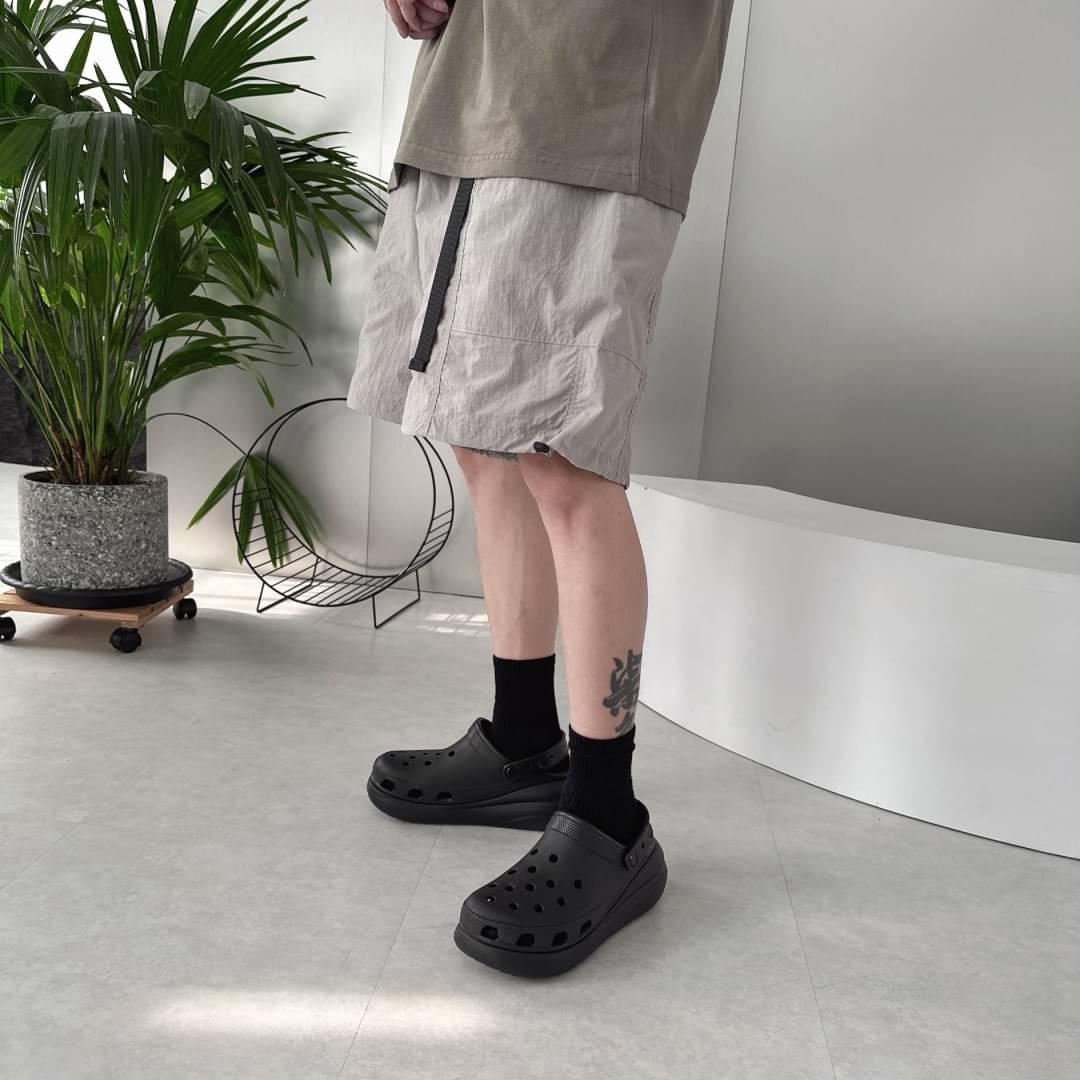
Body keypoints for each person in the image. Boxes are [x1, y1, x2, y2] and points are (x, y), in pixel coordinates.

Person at [347, 0, 736, 977]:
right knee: (483, 436)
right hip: (466, 95)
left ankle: (607, 812)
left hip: (589, 95)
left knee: (565, 456)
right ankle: (523, 739)